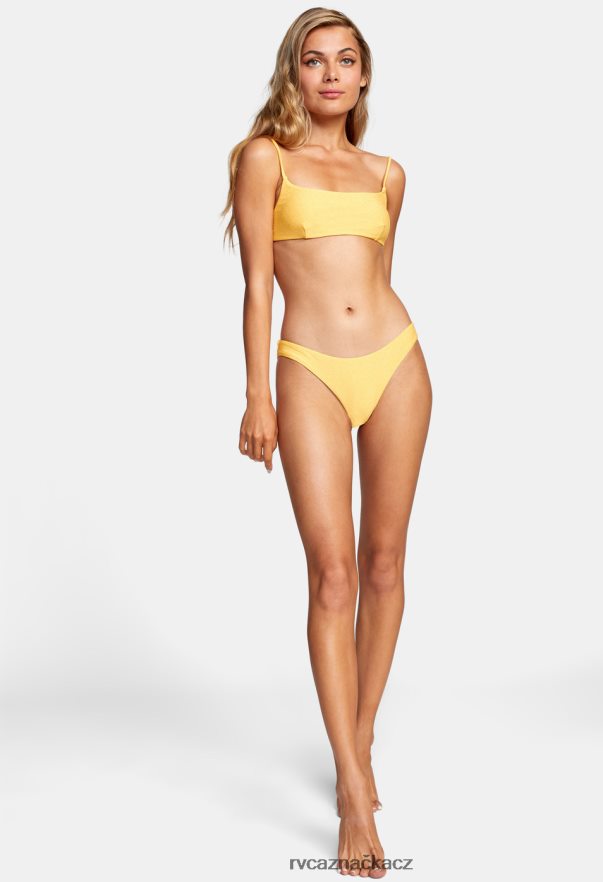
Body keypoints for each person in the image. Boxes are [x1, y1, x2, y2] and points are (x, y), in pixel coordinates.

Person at [221, 8, 432, 878]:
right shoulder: (263, 159)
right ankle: (350, 788)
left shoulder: (388, 175)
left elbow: (378, 278)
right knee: (333, 574)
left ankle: (360, 742)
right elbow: (258, 287)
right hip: (307, 366)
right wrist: (257, 395)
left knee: (384, 564)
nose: (332, 74)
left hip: (397, 361)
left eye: (347, 60)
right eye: (315, 61)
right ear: (293, 73)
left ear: (365, 75)